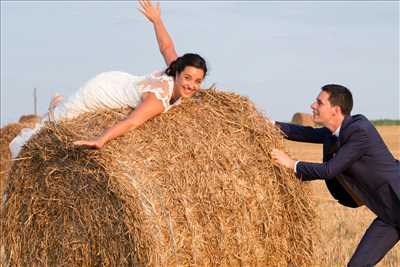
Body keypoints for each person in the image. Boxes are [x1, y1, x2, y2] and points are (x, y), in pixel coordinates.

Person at [9, 0, 207, 157]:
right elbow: (132, 122)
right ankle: (55, 109)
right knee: (56, 123)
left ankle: (61, 103)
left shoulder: (175, 69)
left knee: (67, 112)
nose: (191, 85)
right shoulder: (159, 99)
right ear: (179, 73)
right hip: (102, 92)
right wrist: (101, 139)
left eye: (197, 81)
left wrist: (157, 21)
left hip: (120, 81)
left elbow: (167, 48)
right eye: (188, 78)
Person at [270, 84, 400, 266]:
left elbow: (330, 170)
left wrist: (292, 164)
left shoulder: (359, 130)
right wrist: (268, 125)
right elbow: (306, 133)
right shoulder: (333, 134)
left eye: (319, 102)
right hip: (388, 214)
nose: (312, 106)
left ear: (335, 110)